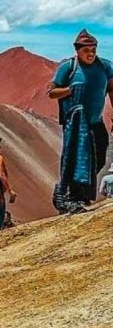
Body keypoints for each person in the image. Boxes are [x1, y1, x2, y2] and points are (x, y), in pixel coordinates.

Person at [48, 30, 113, 211]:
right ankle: (71, 196)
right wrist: (69, 90)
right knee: (76, 158)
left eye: (93, 49)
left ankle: (79, 193)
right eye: (86, 50)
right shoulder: (69, 67)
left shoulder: (105, 66)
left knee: (98, 158)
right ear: (78, 50)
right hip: (76, 122)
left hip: (96, 120)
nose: (91, 53)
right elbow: (51, 92)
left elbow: (111, 88)